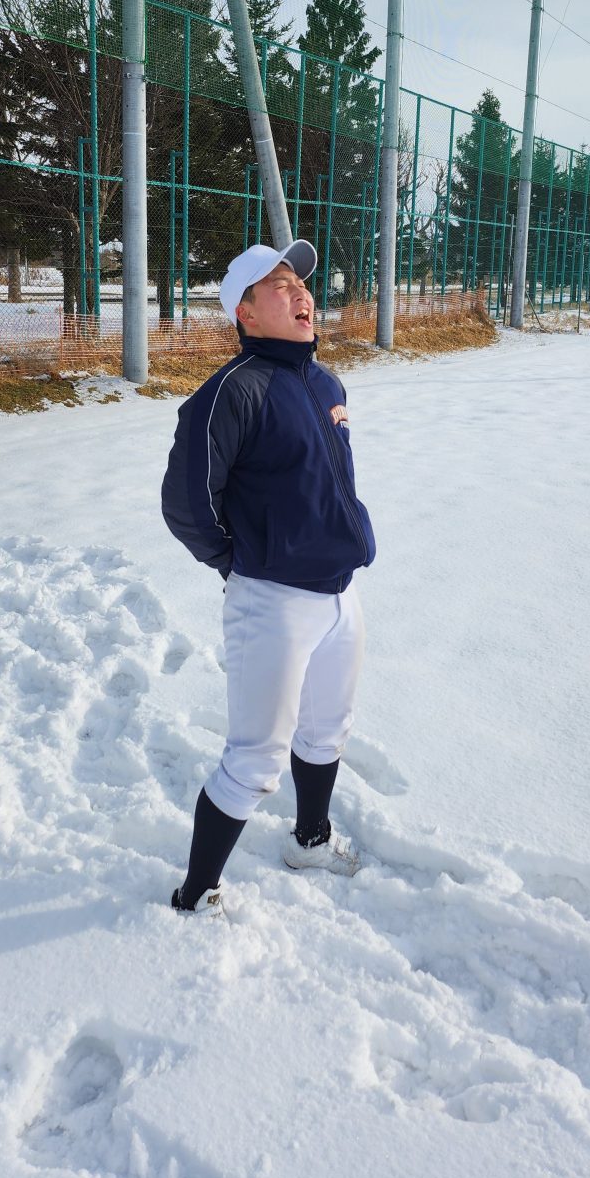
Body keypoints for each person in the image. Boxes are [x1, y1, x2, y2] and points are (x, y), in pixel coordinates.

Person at [161, 239, 376, 914]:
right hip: (274, 601)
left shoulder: (325, 382)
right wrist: (243, 564)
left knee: (325, 733)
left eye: (301, 284)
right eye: (278, 286)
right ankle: (194, 895)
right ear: (245, 313)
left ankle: (309, 839)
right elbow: (186, 504)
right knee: (255, 761)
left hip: (340, 595)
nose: (301, 294)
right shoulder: (230, 391)